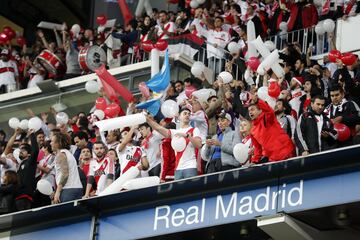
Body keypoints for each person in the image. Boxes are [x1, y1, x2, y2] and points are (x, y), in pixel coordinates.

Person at [146, 107, 202, 180]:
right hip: (178, 169)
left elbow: (199, 145)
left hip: (190, 167)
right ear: (179, 117)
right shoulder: (175, 132)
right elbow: (158, 128)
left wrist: (188, 136)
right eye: (185, 113)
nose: (187, 115)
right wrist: (147, 119)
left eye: (189, 114)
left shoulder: (195, 130)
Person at [248, 97, 295, 163]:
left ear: (260, 110)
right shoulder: (252, 131)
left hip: (286, 152)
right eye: (249, 111)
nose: (250, 112)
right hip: (273, 159)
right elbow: (258, 149)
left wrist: (258, 101)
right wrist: (254, 161)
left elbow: (269, 111)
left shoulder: (267, 118)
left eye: (252, 109)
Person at [51, 132, 83, 204]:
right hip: (77, 188)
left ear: (58, 143)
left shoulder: (61, 154)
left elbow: (65, 174)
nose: (50, 143)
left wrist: (58, 192)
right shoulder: (69, 154)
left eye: (52, 141)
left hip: (68, 190)